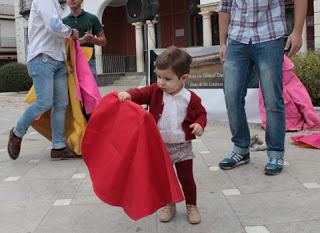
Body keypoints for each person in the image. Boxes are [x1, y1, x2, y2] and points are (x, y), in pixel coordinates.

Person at [118, 46, 207, 224]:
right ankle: (169, 204)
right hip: (160, 146)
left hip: (182, 147)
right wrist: (128, 94)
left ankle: (191, 205)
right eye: (158, 77)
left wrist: (199, 124)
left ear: (184, 78)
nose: (161, 82)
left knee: (186, 178)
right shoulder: (155, 91)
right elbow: (140, 93)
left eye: (167, 78)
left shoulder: (190, 98)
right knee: (165, 178)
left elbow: (201, 113)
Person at [218, 0, 307, 175]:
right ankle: (241, 148)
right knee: (231, 95)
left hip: (270, 36)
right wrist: (222, 42)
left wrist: (297, 32)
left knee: (272, 99)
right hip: (237, 38)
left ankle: (275, 153)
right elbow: (225, 6)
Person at [7, 0, 80, 161]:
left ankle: (58, 147)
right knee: (44, 102)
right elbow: (53, 25)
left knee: (60, 104)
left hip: (57, 59)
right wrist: (71, 32)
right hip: (42, 57)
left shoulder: (55, 3)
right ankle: (17, 132)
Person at [63, 0, 106, 81]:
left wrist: (92, 40)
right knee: (73, 93)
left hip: (88, 61)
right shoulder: (63, 22)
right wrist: (82, 40)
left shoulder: (92, 18)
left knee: (90, 92)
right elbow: (60, 44)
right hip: (69, 62)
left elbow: (103, 41)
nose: (72, 0)